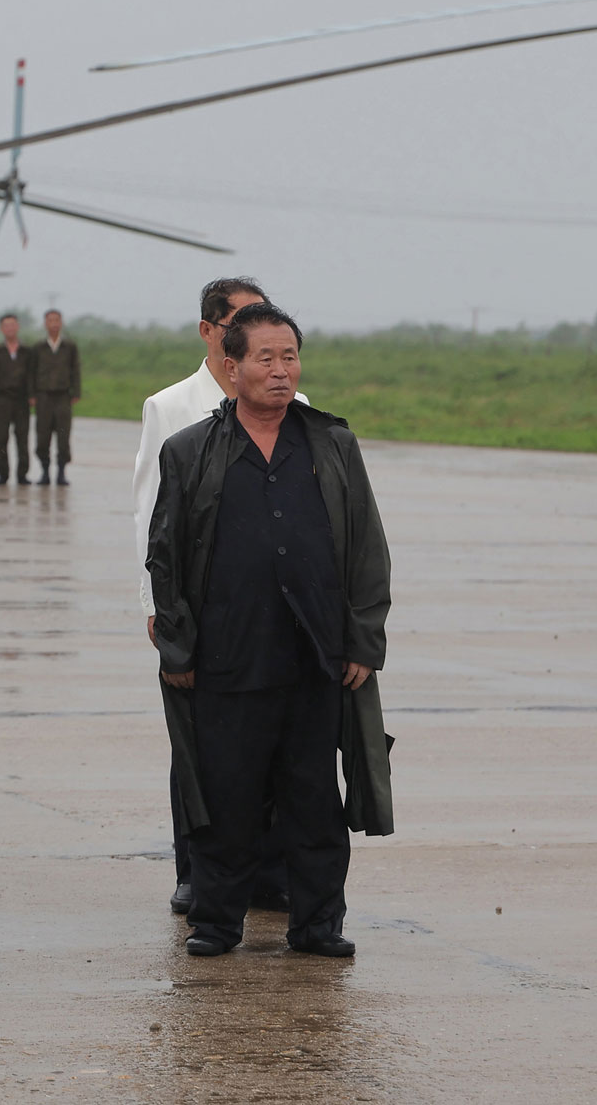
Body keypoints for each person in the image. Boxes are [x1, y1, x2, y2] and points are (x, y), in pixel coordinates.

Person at [146, 301, 389, 959]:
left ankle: (317, 926)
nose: (281, 372)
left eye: (290, 357)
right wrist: (178, 645)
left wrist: (363, 640)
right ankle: (216, 922)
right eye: (266, 359)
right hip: (227, 657)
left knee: (314, 802)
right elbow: (164, 557)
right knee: (226, 799)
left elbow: (367, 544)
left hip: (313, 658)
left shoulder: (330, 445)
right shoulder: (190, 452)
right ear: (231, 368)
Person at [133, 276, 282, 916]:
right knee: (196, 741)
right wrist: (155, 605)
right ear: (209, 332)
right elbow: (149, 517)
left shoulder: (291, 399)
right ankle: (194, 869)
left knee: (272, 741)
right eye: (238, 322)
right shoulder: (170, 407)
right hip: (194, 604)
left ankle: (269, 871)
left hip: (268, 607)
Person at [30, 308, 81, 486]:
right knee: (42, 436)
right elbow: (32, 372)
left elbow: (75, 370)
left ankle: (61, 472)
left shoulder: (69, 347)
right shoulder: (38, 347)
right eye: (50, 320)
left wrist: (76, 392)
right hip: (43, 397)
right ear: (45, 323)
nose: (53, 324)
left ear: (61, 323)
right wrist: (32, 394)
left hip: (62, 397)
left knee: (63, 436)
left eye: (56, 320)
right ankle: (44, 471)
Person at [0, 314, 33, 484]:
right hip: (3, 399)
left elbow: (31, 375)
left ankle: (22, 474)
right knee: (1, 438)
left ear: (18, 327)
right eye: (6, 326)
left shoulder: (27, 351)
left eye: (13, 325)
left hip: (22, 400)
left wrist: (32, 395)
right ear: (2, 329)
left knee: (22, 437)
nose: (10, 329)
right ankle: (3, 474)